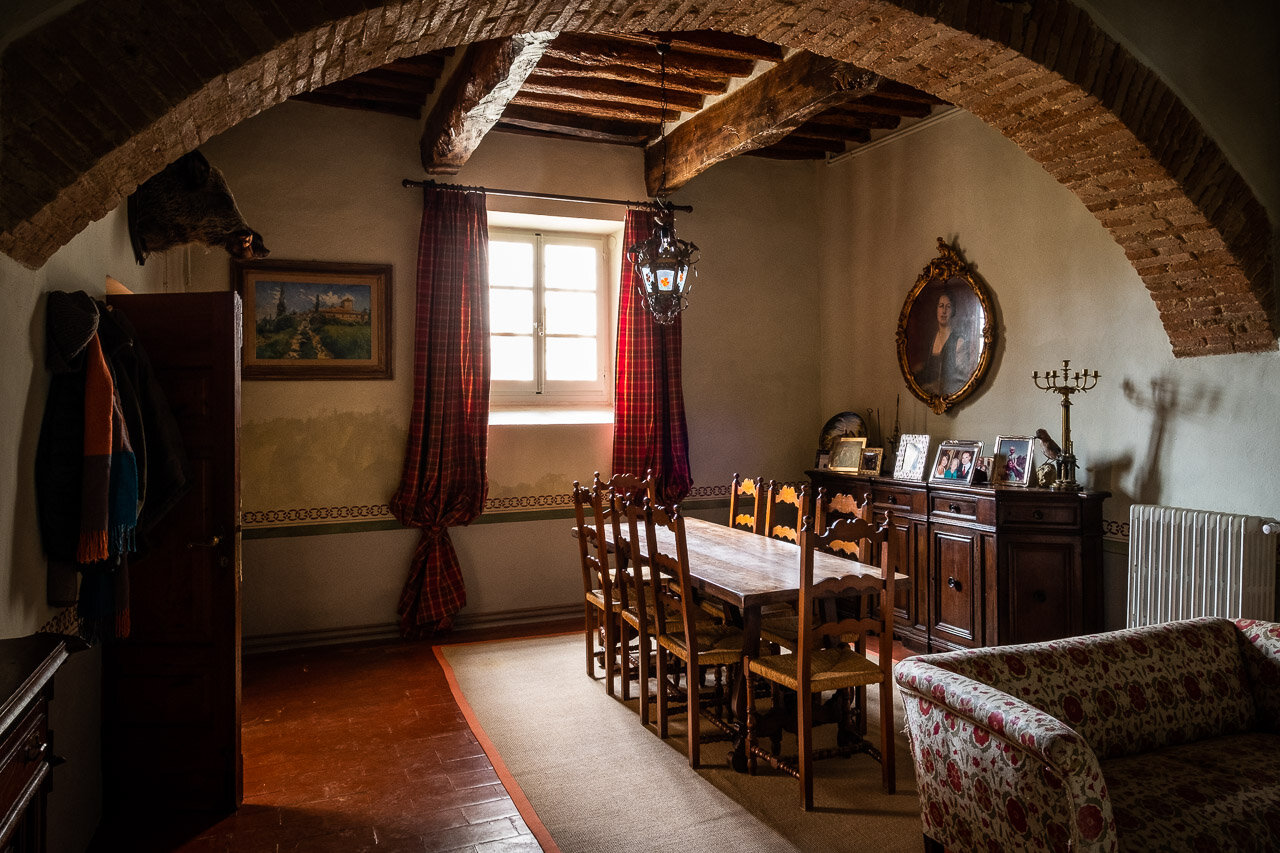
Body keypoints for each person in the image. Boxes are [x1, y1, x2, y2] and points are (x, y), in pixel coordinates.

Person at [912, 288, 977, 397]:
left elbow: (962, 380)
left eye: (948, 307)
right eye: (941, 306)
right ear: (936, 309)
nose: (944, 311)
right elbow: (930, 371)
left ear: (953, 311)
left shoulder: (959, 341)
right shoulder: (933, 339)